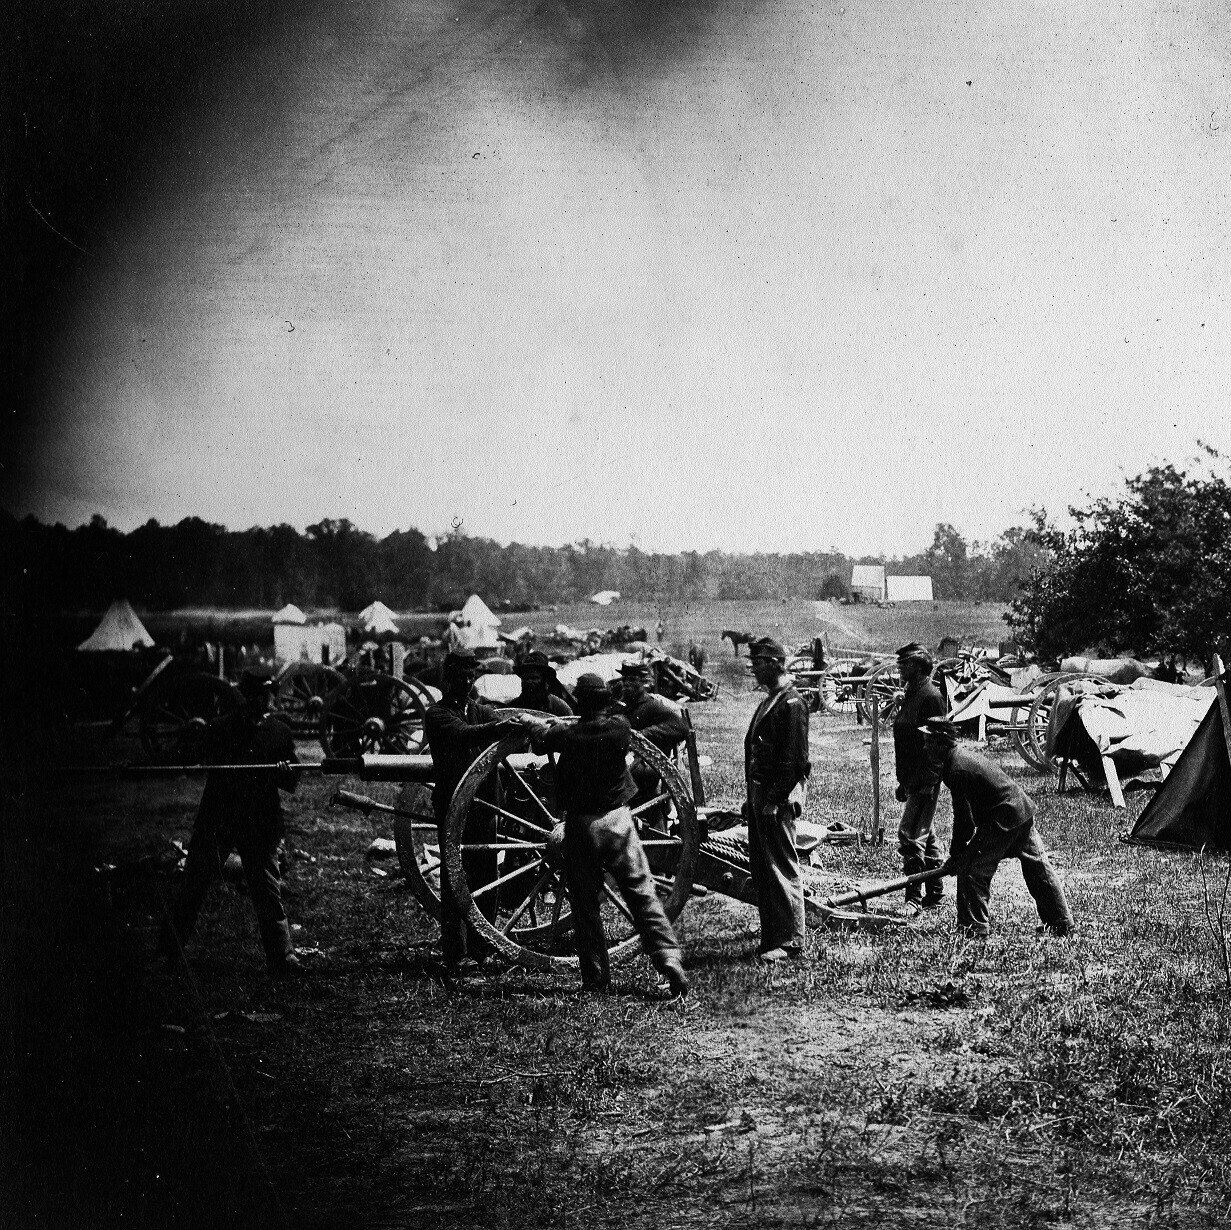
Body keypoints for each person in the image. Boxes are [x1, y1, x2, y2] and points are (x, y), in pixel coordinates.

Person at [528, 674, 688, 997]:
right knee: (643, 895)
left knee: (585, 905)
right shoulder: (620, 728)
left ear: (579, 704)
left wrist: (533, 723)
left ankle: (596, 979)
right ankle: (670, 963)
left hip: (581, 827)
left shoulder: (568, 735)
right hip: (617, 822)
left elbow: (542, 739)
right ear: (606, 703)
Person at [160, 669, 301, 975]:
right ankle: (168, 951)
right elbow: (193, 756)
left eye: (269, 693)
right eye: (259, 694)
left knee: (267, 891)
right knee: (193, 886)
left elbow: (292, 781)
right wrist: (192, 741)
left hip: (259, 824)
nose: (266, 699)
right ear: (246, 696)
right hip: (219, 819)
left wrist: (283, 769)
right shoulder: (221, 728)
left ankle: (283, 955)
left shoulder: (279, 732)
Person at [423, 648, 530, 975]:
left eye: (471, 676)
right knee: (455, 879)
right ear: (447, 679)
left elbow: (497, 728)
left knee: (487, 879)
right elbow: (462, 735)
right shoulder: (437, 714)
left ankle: (483, 948)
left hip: (485, 806)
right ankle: (456, 955)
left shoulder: (482, 710)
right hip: (454, 808)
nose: (466, 682)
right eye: (460, 676)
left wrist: (519, 725)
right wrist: (498, 729)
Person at [920, 717, 1075, 939]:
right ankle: (1061, 923)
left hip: (1004, 818)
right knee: (1037, 867)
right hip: (1021, 810)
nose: (925, 747)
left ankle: (973, 930)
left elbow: (964, 821)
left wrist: (957, 854)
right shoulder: (959, 758)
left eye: (928, 741)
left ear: (941, 742)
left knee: (972, 869)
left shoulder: (956, 768)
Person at [744, 638, 811, 961]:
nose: (754, 669)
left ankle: (790, 940)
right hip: (762, 795)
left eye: (757, 663)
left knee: (781, 864)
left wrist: (773, 800)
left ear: (773, 662)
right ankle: (772, 936)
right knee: (763, 867)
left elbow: (794, 761)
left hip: (777, 798)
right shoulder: (772, 699)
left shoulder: (792, 703)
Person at [892, 642, 948, 909]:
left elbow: (939, 746)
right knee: (928, 835)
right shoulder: (911, 694)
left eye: (904, 664)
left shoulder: (930, 697)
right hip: (912, 779)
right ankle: (935, 893)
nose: (900, 669)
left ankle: (912, 898)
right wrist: (904, 782)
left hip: (925, 779)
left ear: (917, 666)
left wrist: (928, 781)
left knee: (910, 834)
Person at [512, 651, 573, 716]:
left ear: (545, 680)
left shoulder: (560, 708)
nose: (529, 681)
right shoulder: (512, 708)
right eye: (526, 678)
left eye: (534, 678)